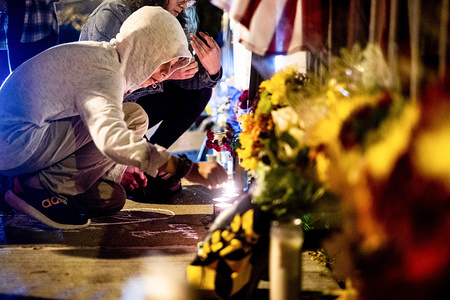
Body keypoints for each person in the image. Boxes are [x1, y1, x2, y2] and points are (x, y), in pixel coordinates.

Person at [0, 6, 228, 230]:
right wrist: (187, 169)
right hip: (16, 146)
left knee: (114, 197)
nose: (165, 75)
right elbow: (112, 140)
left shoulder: (105, 58)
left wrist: (121, 166)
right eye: (165, 64)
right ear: (147, 52)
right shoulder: (106, 74)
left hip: (29, 141)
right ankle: (36, 189)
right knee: (133, 118)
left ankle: (35, 185)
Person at [80, 0, 222, 201]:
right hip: (96, 116)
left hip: (128, 111)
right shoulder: (112, 15)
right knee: (116, 198)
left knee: (200, 91)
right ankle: (140, 163)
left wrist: (214, 68)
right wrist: (166, 74)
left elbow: (189, 79)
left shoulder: (167, 19)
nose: (185, 3)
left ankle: (147, 162)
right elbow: (103, 94)